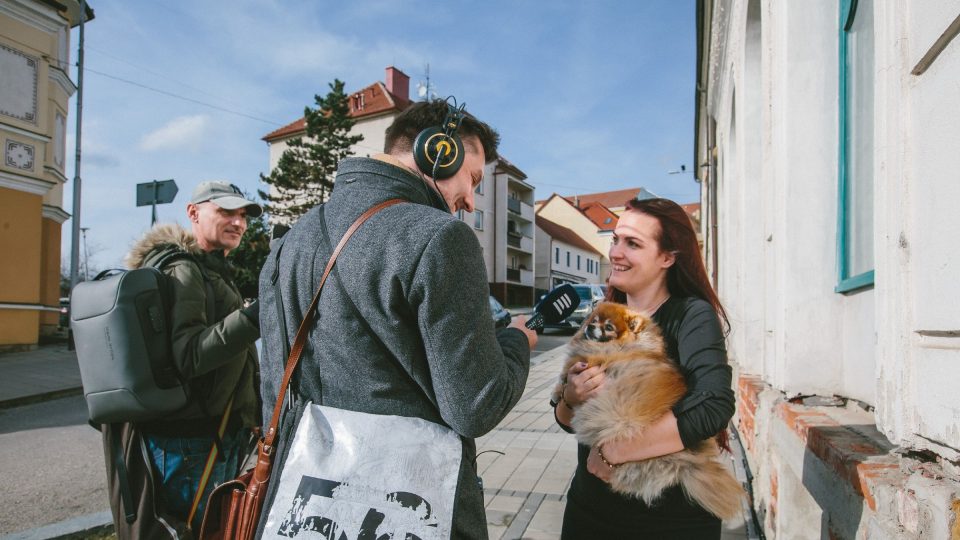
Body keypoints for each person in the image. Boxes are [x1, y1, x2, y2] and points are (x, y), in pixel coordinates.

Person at [257, 99, 538, 538]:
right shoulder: (440, 237)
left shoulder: (289, 242)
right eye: (473, 179)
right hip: (409, 509)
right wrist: (517, 343)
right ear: (439, 152)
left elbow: (273, 384)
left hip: (301, 505)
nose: (469, 199)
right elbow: (476, 405)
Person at [554, 197, 736, 539]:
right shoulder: (604, 317)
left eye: (633, 244)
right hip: (588, 512)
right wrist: (571, 396)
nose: (616, 253)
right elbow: (564, 419)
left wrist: (612, 453)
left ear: (667, 257)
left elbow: (714, 405)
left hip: (667, 519)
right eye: (616, 239)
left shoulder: (690, 315)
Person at [114, 181, 263, 534]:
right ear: (193, 213)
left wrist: (250, 412)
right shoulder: (184, 270)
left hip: (210, 434)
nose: (238, 223)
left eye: (243, 215)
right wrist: (253, 317)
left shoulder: (209, 270)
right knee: (196, 531)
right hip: (189, 442)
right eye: (226, 211)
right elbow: (190, 356)